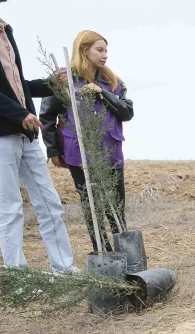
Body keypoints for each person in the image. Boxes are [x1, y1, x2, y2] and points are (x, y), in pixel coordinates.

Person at [0, 0, 75, 272]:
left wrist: (50, 83)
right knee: (8, 208)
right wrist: (16, 113)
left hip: (27, 133)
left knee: (50, 203)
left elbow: (16, 85)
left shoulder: (4, 29)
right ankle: (18, 277)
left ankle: (64, 269)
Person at [41, 30, 134, 253]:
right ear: (84, 50)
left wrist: (101, 92)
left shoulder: (113, 83)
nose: (104, 55)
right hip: (78, 152)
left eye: (106, 51)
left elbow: (127, 112)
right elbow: (46, 115)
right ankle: (102, 252)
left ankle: (125, 254)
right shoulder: (64, 79)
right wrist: (53, 149)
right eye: (99, 50)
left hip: (110, 151)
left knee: (116, 206)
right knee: (92, 206)